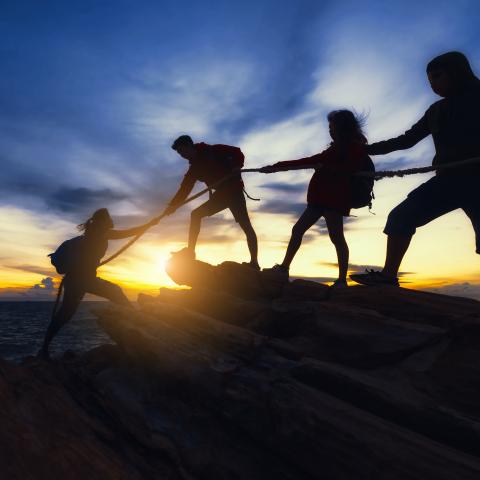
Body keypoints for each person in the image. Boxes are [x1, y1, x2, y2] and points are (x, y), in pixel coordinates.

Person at [350, 51, 480, 287]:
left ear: (457, 72)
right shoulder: (435, 111)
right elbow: (406, 140)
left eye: (438, 77)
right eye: (430, 80)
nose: (433, 84)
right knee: (401, 216)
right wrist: (365, 150)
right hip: (448, 181)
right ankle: (388, 277)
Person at [261, 110, 369, 286]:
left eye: (332, 127)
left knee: (337, 238)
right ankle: (284, 268)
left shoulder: (354, 148)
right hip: (319, 200)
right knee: (298, 230)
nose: (330, 131)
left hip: (333, 201)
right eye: (329, 127)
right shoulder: (335, 148)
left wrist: (325, 168)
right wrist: (276, 167)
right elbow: (308, 160)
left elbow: (350, 170)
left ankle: (342, 280)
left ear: (342, 127)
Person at [38, 208, 157, 358]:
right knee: (115, 292)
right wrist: (150, 224)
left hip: (74, 280)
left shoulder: (89, 234)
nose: (110, 221)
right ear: (104, 221)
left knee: (65, 314)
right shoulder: (102, 232)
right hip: (84, 279)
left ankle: (44, 349)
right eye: (108, 219)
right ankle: (139, 323)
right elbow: (128, 232)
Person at [164, 135, 259, 269]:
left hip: (234, 192)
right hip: (220, 196)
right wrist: (172, 205)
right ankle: (190, 252)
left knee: (246, 226)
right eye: (179, 153)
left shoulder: (214, 150)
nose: (181, 155)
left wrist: (237, 166)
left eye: (182, 151)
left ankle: (254, 263)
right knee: (195, 214)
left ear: (189, 146)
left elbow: (237, 152)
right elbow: (184, 189)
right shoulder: (194, 169)